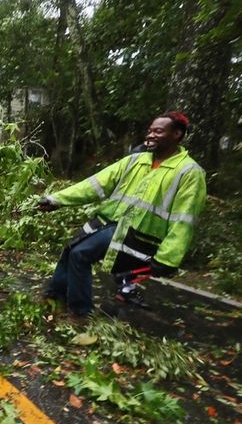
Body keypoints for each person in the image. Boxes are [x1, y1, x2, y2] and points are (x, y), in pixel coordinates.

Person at [37, 111, 206, 317]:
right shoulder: (135, 161)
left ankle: (81, 314)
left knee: (80, 255)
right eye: (150, 130)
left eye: (158, 131)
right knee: (71, 250)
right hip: (111, 223)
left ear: (177, 134)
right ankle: (54, 298)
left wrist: (168, 258)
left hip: (139, 236)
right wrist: (56, 200)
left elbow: (184, 219)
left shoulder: (189, 172)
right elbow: (95, 185)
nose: (151, 135)